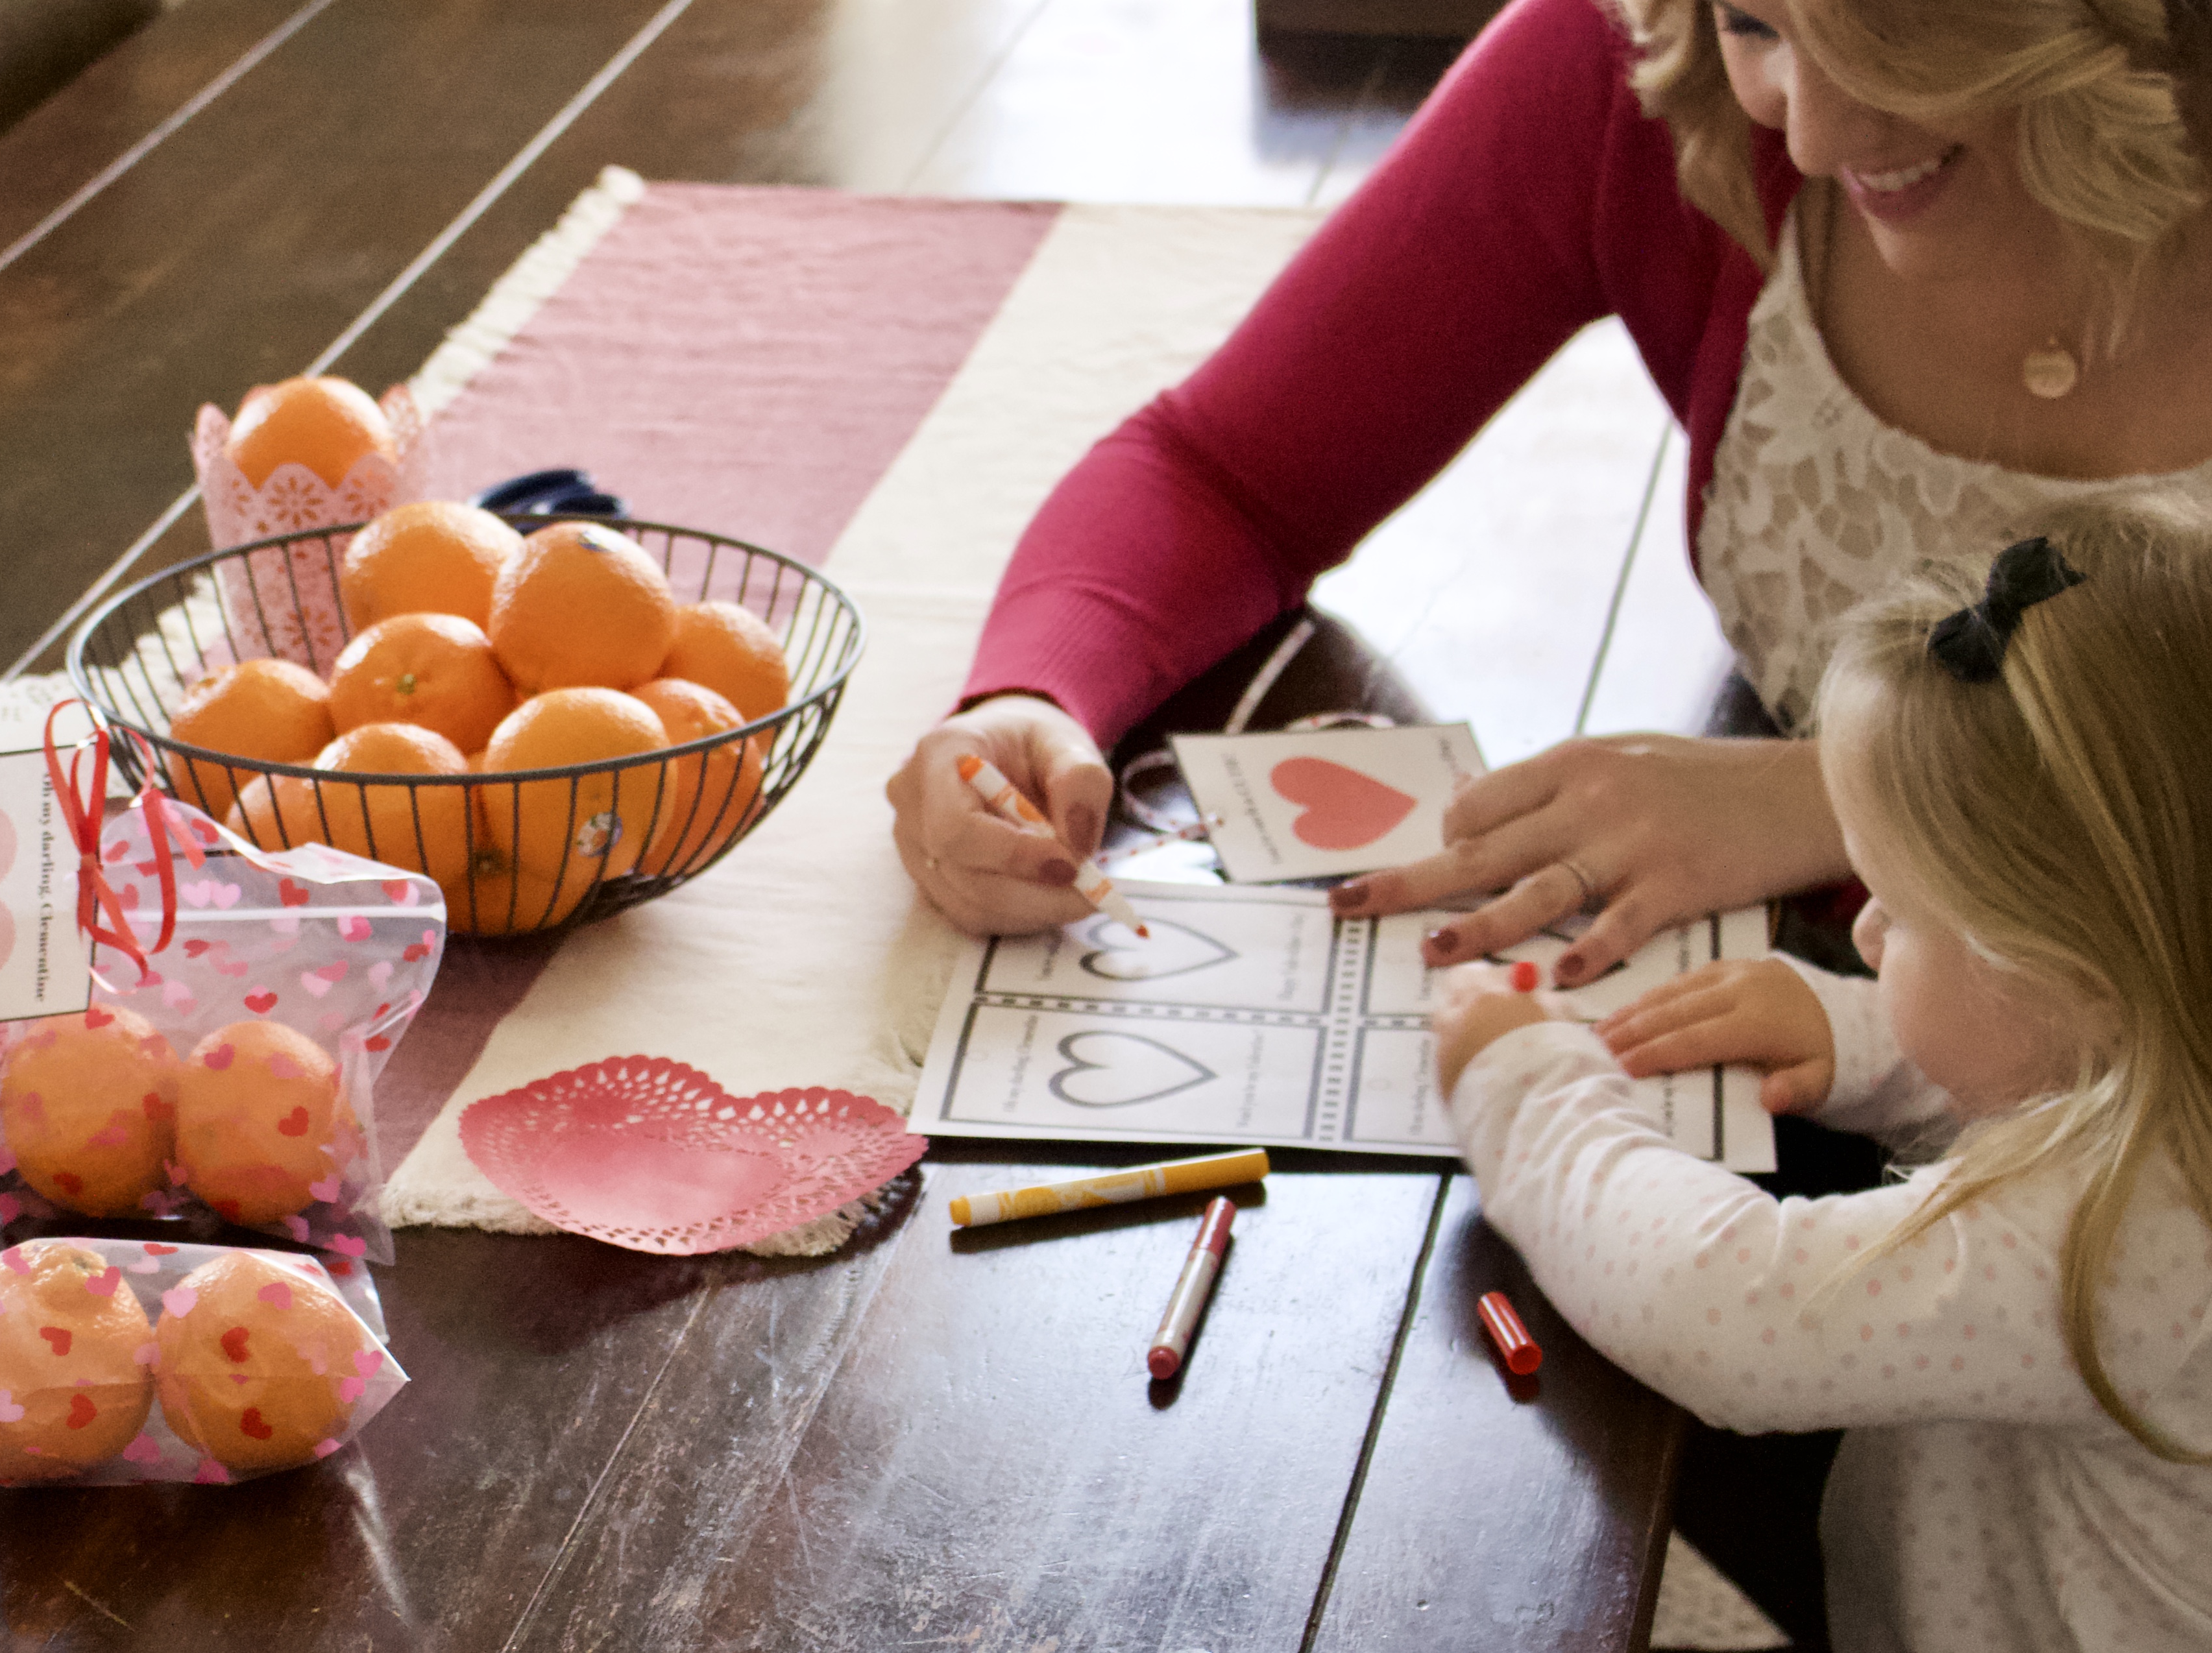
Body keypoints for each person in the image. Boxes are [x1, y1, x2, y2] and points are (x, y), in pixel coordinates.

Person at [887, 0, 2212, 984]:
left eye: (1897, 38)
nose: (1808, 131)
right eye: (1757, 20)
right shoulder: (1643, 60)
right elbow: (1223, 471)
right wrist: (1029, 696)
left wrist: (1841, 798)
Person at [1432, 498, 2212, 1652]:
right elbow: (2073, 1055)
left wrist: (1527, 1089)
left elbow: (1725, 1313)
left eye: (1902, 911)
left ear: (2065, 966)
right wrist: (1861, 1035)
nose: (1864, 934)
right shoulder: (2168, 1025)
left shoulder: (2120, 1239)